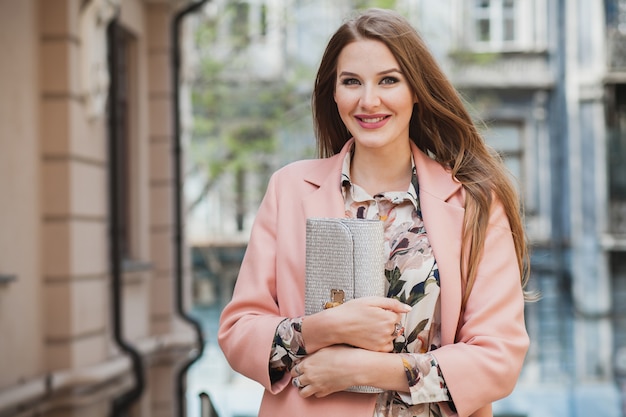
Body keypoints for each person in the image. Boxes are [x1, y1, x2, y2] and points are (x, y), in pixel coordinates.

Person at [218, 8, 530, 417]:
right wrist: (324, 330)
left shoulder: (474, 201)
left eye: (388, 80)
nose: (369, 100)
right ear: (334, 92)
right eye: (351, 82)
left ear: (415, 90)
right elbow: (239, 331)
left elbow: (498, 360)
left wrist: (362, 368)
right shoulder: (289, 189)